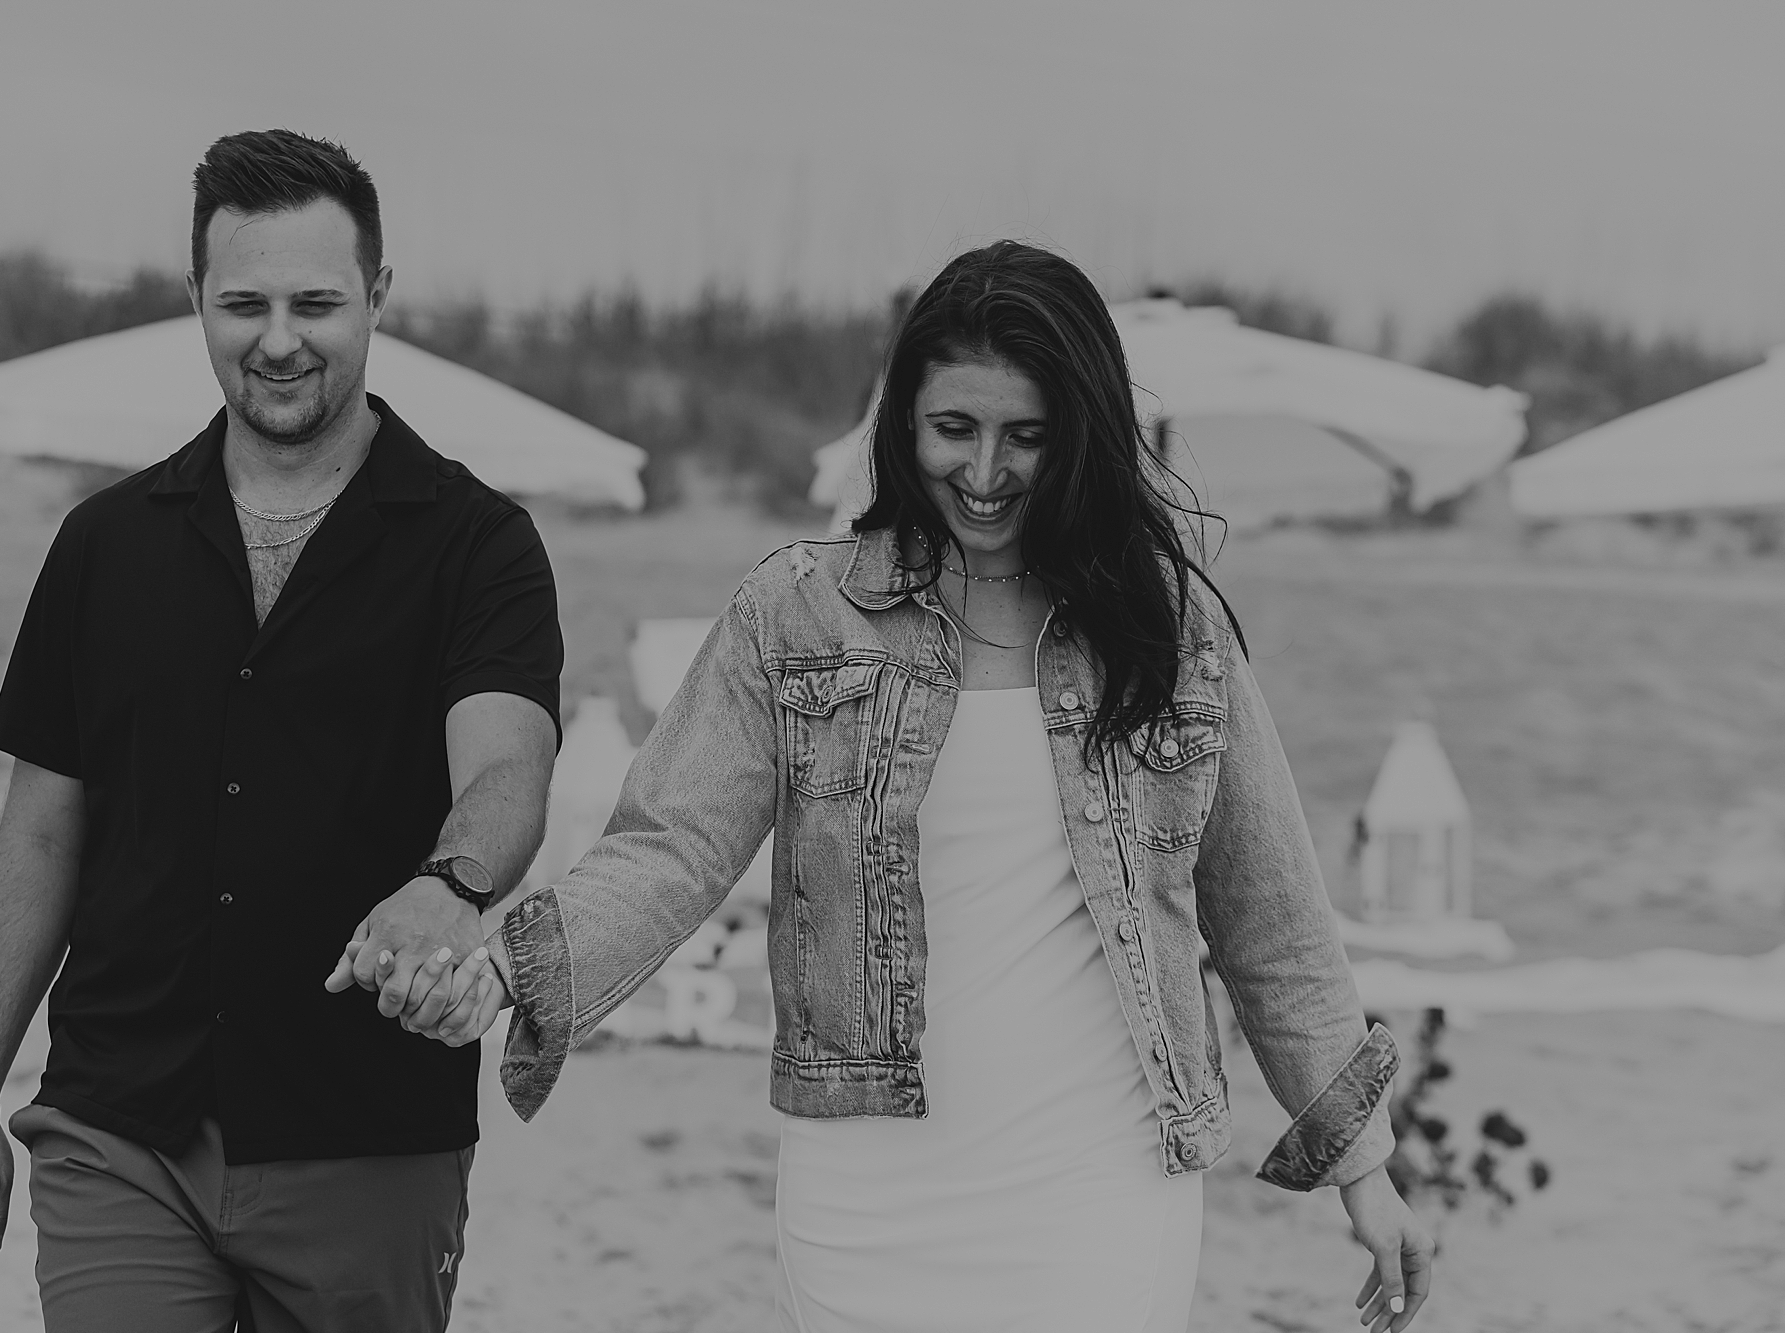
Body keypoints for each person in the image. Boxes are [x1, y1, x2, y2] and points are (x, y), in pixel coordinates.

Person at [407, 241, 1434, 1331]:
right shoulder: (795, 613)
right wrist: (514, 966)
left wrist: (1362, 1167)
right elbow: (671, 845)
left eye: (1024, 437)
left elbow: (1269, 915)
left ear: (1078, 436)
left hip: (1101, 1184)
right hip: (865, 1193)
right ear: (902, 424)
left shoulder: (1163, 631)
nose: (984, 473)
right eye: (953, 429)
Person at [0, 128, 559, 1331]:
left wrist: (449, 881)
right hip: (120, 1126)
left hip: (365, 1134)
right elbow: (42, 837)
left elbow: (508, 767)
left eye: (316, 301)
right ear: (195, 302)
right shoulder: (103, 545)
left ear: (377, 294)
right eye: (243, 303)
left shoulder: (480, 545)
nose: (278, 339)